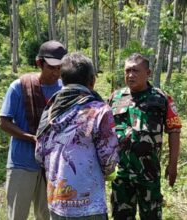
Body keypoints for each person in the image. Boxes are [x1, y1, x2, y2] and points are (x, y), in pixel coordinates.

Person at [35, 52, 119, 219]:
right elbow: (109, 160)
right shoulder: (99, 110)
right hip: (89, 206)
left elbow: (39, 154)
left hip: (57, 201)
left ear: (62, 80)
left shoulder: (50, 110)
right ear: (92, 81)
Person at [108, 53, 182, 220]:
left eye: (135, 71)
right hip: (121, 175)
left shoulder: (161, 98)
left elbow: (174, 130)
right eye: (127, 71)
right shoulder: (115, 97)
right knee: (121, 216)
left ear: (148, 73)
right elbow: (106, 131)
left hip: (149, 173)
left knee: (151, 216)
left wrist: (173, 164)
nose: (130, 75)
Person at [0, 40, 67, 220]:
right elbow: (4, 122)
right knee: (17, 215)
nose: (56, 72)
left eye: (60, 68)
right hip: (22, 163)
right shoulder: (20, 87)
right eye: (52, 67)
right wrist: (30, 137)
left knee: (46, 215)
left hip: (50, 166)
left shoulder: (63, 90)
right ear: (39, 63)